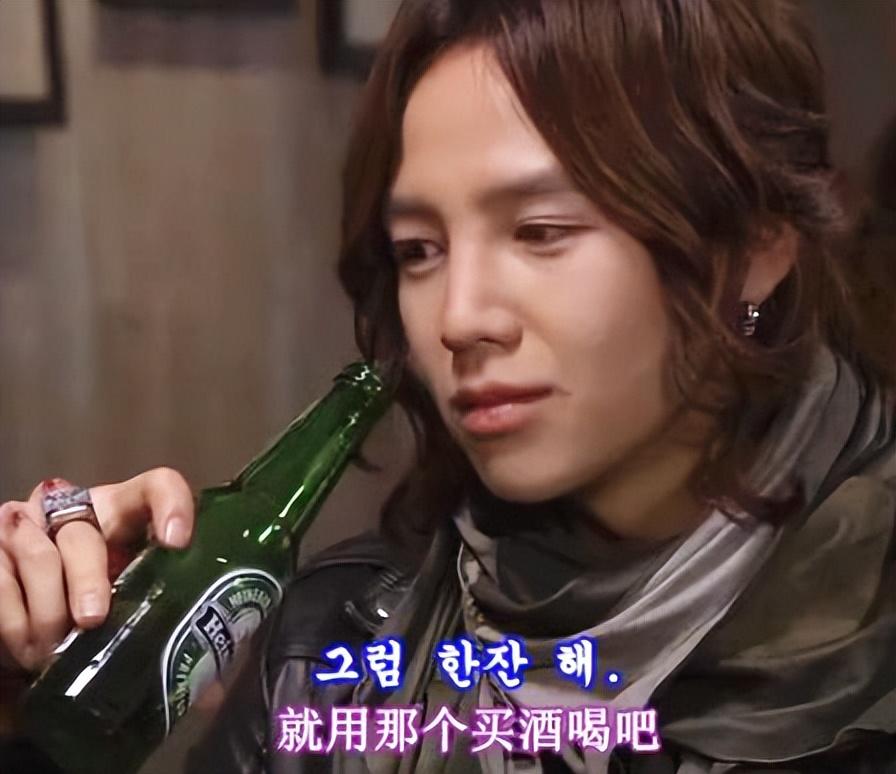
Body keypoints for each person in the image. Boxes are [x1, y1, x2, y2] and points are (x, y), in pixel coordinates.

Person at [2, 0, 894, 772]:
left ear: (756, 248)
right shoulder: (338, 644)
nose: (459, 318)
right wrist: (25, 702)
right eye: (419, 250)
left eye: (540, 230)